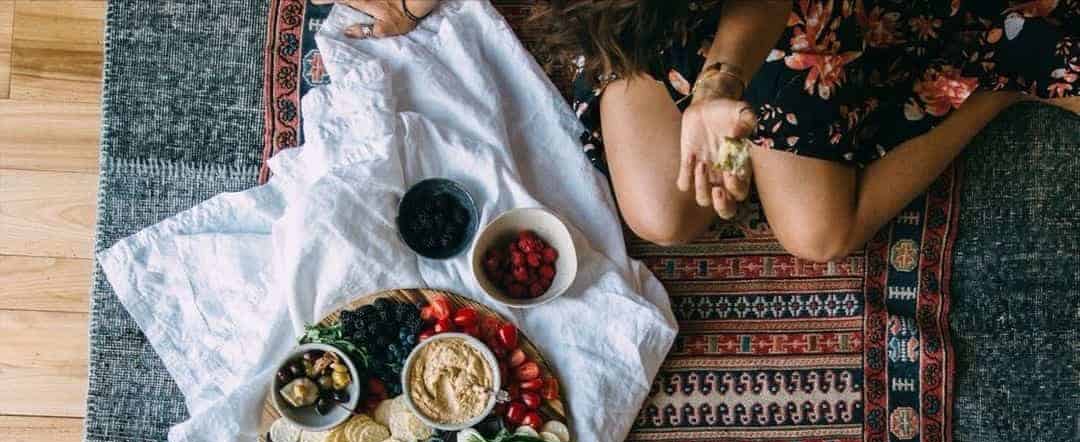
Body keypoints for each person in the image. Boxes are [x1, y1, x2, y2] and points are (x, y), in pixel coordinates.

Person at [324, 0, 1079, 260]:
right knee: (660, 214)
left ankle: (995, 88)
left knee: (818, 234)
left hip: (780, 15)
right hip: (648, 21)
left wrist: (720, 88)